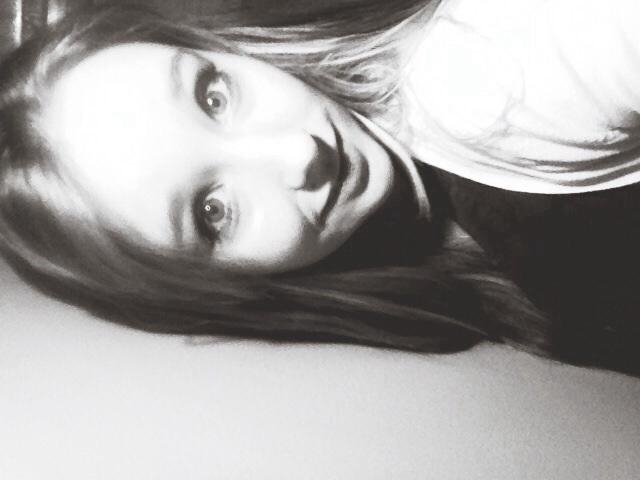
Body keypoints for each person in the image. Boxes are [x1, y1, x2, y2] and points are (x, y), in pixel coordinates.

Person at [0, 0, 638, 376]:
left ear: (227, 47)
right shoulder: (449, 276)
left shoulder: (494, 87)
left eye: (215, 96)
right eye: (213, 211)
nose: (299, 154)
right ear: (210, 290)